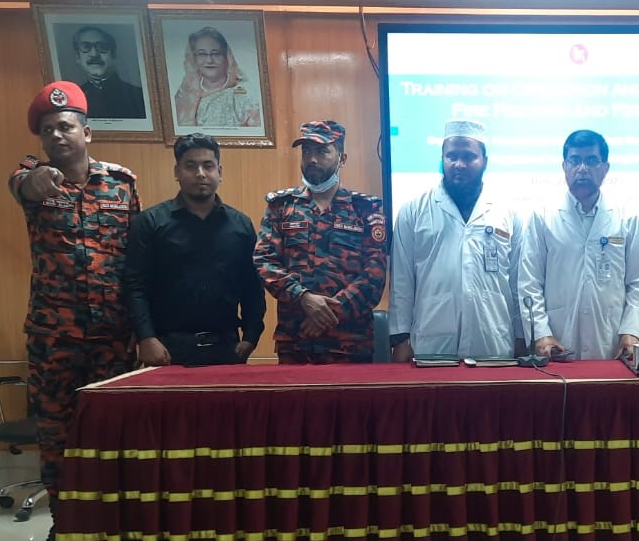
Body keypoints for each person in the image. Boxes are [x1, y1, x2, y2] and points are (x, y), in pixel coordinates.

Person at [8, 81, 139, 541]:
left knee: (113, 438)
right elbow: (23, 185)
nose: (57, 136)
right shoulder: (32, 179)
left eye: (65, 126)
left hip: (112, 337)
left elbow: (136, 258)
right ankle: (63, 531)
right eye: (47, 130)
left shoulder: (122, 183)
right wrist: (36, 178)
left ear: (87, 132)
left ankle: (114, 531)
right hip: (54, 338)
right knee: (57, 438)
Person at [388, 118, 523, 361]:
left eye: (469, 157)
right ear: (442, 159)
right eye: (451, 156)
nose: (459, 164)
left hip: (492, 343)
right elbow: (402, 281)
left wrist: (522, 337)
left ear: (485, 161)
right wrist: (400, 338)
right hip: (432, 342)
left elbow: (517, 282)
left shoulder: (507, 212)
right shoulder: (413, 210)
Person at [125, 133, 264, 367]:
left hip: (227, 347)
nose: (200, 173)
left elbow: (252, 286)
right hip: (167, 348)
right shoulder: (150, 222)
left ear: (219, 171)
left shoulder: (241, 225)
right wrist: (146, 337)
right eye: (190, 166)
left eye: (208, 166)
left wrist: (251, 336)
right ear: (177, 172)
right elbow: (135, 286)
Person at [253, 120, 387, 363]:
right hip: (296, 342)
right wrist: (303, 298)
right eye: (307, 152)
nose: (312, 159)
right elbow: (265, 261)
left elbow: (374, 274)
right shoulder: (282, 206)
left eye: (322, 151)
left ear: (342, 158)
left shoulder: (366, 208)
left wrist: (329, 312)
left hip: (350, 344)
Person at [518, 129, 639, 362]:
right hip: (556, 340)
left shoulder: (626, 218)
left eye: (591, 160)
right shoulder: (542, 216)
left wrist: (632, 331)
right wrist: (540, 333)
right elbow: (530, 282)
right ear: (564, 167)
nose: (582, 168)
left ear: (605, 168)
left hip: (611, 340)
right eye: (575, 160)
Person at [173, 27, 262, 128]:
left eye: (216, 53)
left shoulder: (244, 94)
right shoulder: (184, 95)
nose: (209, 60)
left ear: (227, 57)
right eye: (202, 54)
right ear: (194, 58)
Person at [70, 24, 146, 122]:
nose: (94, 54)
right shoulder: (72, 100)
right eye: (86, 47)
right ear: (78, 57)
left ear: (113, 54)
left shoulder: (139, 96)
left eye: (102, 46)